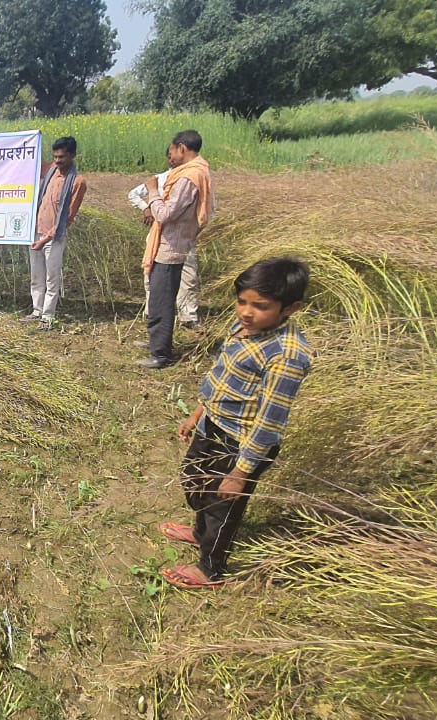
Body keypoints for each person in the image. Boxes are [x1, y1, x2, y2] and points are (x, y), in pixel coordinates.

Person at [158, 258, 313, 589]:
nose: (246, 312)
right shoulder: (243, 328)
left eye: (261, 306)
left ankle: (210, 568)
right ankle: (200, 533)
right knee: (195, 480)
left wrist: (240, 473)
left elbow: (269, 422)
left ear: (291, 308)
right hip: (213, 424)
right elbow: (222, 377)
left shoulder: (286, 355)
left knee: (223, 506)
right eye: (242, 301)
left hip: (241, 444)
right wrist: (197, 414)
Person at [137, 130, 214, 369]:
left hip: (170, 248)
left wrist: (152, 191)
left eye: (172, 150)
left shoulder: (188, 177)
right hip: (170, 245)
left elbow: (165, 214)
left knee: (161, 300)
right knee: (160, 297)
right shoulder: (195, 172)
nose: (170, 155)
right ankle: (157, 342)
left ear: (182, 148)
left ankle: (160, 354)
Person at [127, 147, 208, 331]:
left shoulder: (192, 178)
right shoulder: (161, 179)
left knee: (188, 277)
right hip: (159, 235)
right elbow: (134, 194)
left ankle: (188, 316)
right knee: (153, 278)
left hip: (182, 237)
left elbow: (207, 208)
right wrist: (146, 208)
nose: (171, 160)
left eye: (174, 156)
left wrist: (193, 229)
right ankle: (152, 314)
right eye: (169, 157)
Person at [24, 136, 87, 330]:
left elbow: (67, 218)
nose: (58, 161)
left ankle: (48, 315)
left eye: (62, 157)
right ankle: (37, 310)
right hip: (36, 232)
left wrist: (45, 239)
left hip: (53, 238)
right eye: (55, 157)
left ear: (72, 155)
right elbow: (28, 166)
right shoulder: (51, 171)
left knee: (52, 278)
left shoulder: (77, 182)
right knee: (36, 276)